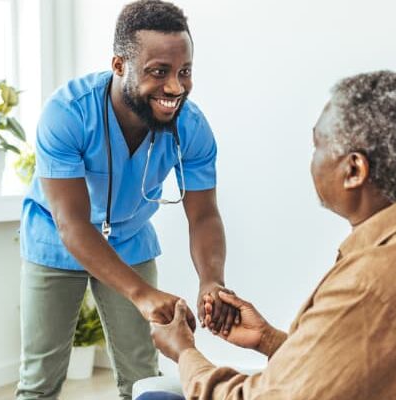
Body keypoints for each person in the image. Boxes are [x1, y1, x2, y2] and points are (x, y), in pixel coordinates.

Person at [147, 71, 396, 399]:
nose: (313, 160)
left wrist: (184, 353)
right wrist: (268, 340)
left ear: (354, 169)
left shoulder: (369, 288)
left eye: (318, 145)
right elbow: (370, 366)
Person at [17, 1, 239, 399]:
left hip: (130, 237)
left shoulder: (191, 126)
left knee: (141, 375)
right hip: (56, 239)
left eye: (184, 72)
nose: (175, 87)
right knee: (40, 379)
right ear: (119, 65)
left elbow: (203, 215)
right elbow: (72, 224)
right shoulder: (67, 114)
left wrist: (212, 280)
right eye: (159, 72)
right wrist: (140, 293)